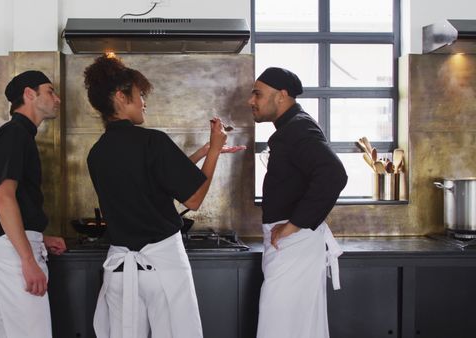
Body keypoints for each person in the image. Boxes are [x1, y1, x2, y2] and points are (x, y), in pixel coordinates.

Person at [84, 54, 245, 338]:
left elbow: (150, 177)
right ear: (121, 98)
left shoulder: (97, 153)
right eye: (139, 95)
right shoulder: (152, 141)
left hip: (120, 273)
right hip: (163, 270)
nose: (144, 102)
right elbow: (193, 200)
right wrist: (217, 150)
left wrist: (203, 152)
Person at [248, 67, 347, 338]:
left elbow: (334, 174)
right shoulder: (292, 127)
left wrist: (294, 225)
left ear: (281, 95)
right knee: (297, 325)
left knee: (278, 324)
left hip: (294, 241)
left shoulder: (298, 128)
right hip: (293, 241)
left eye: (258, 94)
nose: (251, 101)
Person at [0, 70, 67, 338]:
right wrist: (27, 259)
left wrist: (40, 235)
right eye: (50, 91)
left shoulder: (17, 135)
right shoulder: (15, 134)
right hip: (14, 254)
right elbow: (3, 198)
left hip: (7, 248)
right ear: (30, 94)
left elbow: (13, 202)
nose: (57, 98)